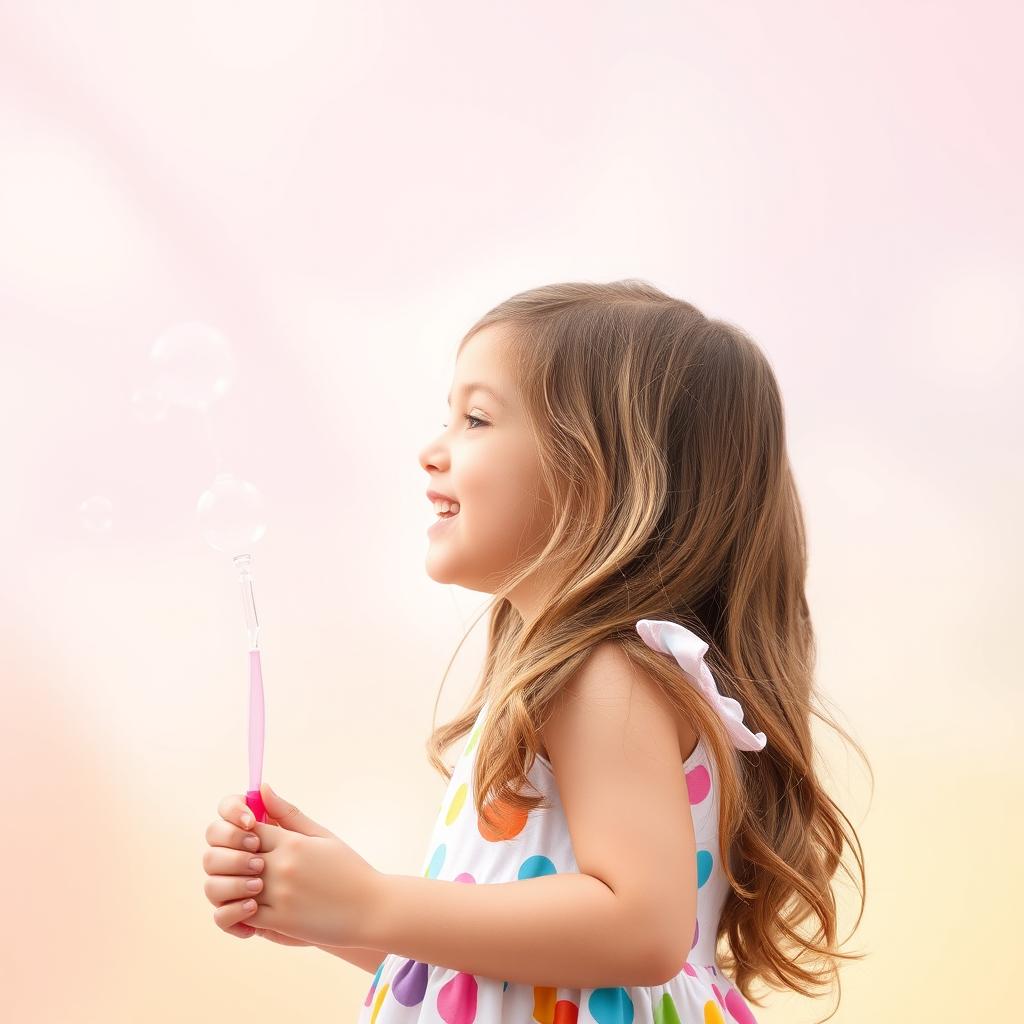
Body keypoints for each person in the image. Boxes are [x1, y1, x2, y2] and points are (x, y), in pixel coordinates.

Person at [202, 280, 868, 1023]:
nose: (432, 451)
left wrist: (373, 902)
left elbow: (642, 931)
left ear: (601, 474)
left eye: (476, 419)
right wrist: (337, 910)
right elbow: (519, 976)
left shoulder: (605, 675)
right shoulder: (586, 675)